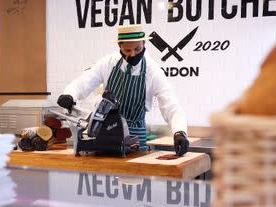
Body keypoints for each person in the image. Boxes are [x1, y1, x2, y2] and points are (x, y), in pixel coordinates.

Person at [57, 24, 189, 154]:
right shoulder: (108, 63)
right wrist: (69, 94)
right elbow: (84, 82)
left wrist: (180, 132)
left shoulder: (153, 71)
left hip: (135, 138)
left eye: (137, 49)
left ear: (144, 43)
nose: (132, 54)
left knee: (133, 174)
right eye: (127, 51)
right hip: (107, 132)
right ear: (119, 46)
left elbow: (170, 105)